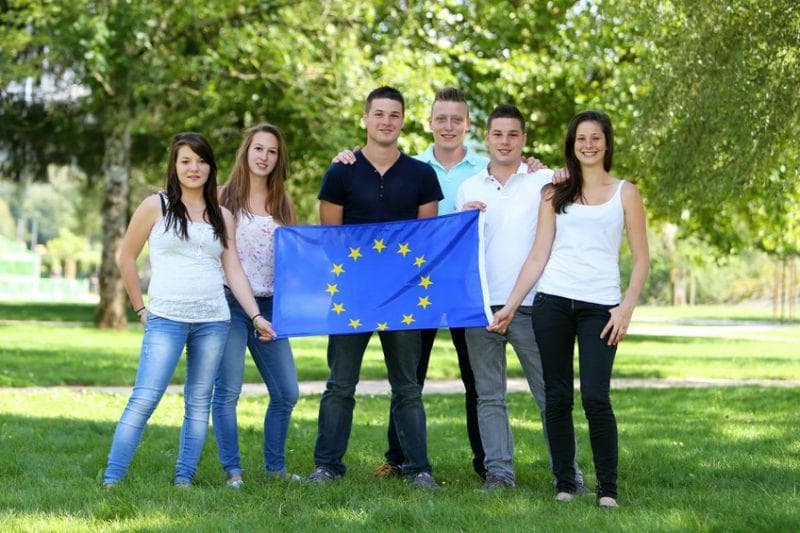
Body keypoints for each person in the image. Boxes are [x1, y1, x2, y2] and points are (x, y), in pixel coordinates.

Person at [332, 88, 551, 480]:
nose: (448, 126)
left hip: (472, 287)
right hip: (420, 287)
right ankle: (399, 459)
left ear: (468, 126)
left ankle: (487, 465)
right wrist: (347, 159)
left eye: (457, 120)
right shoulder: (410, 168)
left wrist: (536, 165)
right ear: (430, 123)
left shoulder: (488, 168)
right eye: (441, 119)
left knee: (476, 379)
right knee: (409, 374)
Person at [489, 111, 649, 508]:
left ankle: (607, 489)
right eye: (581, 139)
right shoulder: (554, 191)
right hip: (553, 303)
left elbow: (643, 259)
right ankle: (565, 483)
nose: (588, 145)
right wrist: (511, 306)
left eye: (596, 138)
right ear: (572, 144)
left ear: (607, 144)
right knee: (557, 397)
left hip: (601, 308)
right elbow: (538, 254)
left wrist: (625, 308)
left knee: (596, 397)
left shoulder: (626, 193)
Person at [103, 132, 275, 487]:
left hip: (213, 320)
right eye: (185, 161)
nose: (193, 168)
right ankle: (112, 478)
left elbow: (233, 270)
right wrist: (139, 308)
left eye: (200, 160)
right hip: (167, 317)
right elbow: (125, 258)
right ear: (175, 166)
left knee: (198, 404)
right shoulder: (157, 206)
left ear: (211, 167)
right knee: (145, 398)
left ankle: (184, 479)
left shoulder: (221, 215)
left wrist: (256, 315)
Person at [308, 86, 442, 488]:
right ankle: (326, 466)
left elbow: (426, 239)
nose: (386, 121)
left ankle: (418, 469)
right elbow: (331, 239)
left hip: (403, 297)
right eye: (379, 113)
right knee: (340, 384)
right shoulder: (341, 172)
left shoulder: (422, 174)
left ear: (403, 121)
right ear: (365, 118)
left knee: (407, 386)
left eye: (394, 114)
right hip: (352, 296)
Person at [456, 104, 586, 491]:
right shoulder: (469, 188)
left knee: (550, 395)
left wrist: (565, 175)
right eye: (498, 134)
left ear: (524, 139)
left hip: (535, 305)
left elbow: (578, 204)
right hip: (481, 308)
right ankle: (499, 473)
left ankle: (569, 475)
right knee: (489, 396)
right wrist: (463, 216)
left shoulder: (544, 180)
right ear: (487, 138)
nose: (506, 141)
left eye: (513, 134)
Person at [211, 123, 300, 488]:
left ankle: (275, 469)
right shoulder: (220, 198)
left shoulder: (283, 203)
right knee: (228, 391)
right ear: (246, 152)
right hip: (229, 304)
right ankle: (232, 471)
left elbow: (293, 261)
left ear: (279, 159)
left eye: (272, 151)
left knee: (286, 392)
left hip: (273, 307)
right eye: (258, 149)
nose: (264, 157)